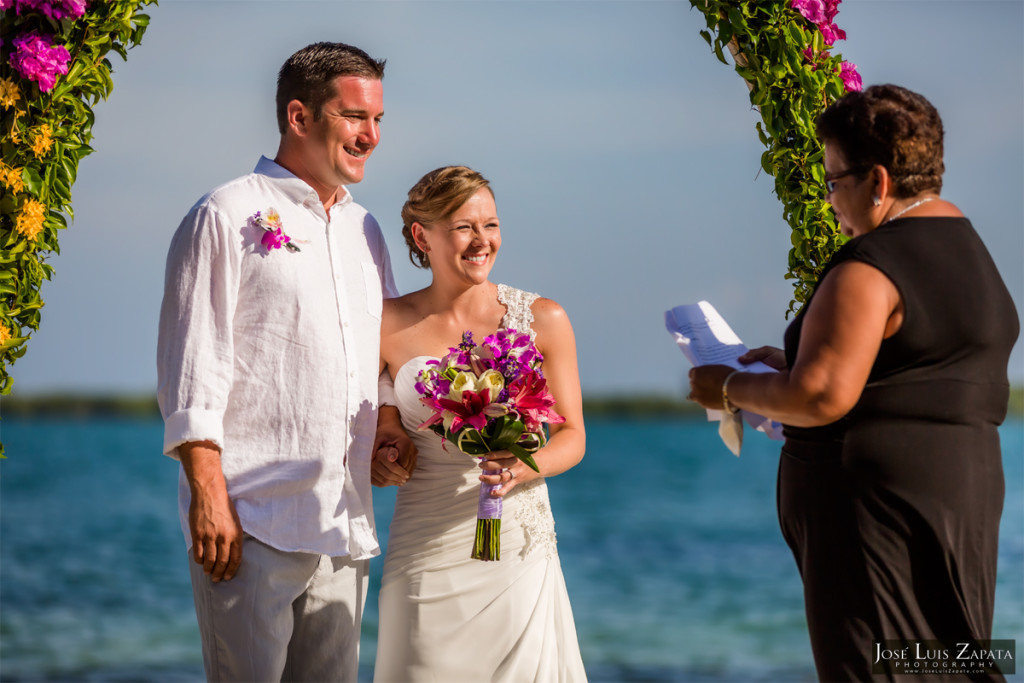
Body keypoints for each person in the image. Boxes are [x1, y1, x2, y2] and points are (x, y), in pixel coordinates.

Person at [688, 84, 1019, 681]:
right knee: (946, 659)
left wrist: (727, 388)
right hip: (959, 498)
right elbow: (912, 372)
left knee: (878, 667)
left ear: (880, 182)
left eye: (834, 181)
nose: (831, 199)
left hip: (876, 516)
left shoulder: (872, 264)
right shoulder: (971, 252)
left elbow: (822, 396)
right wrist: (788, 365)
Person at [156, 42, 414, 682]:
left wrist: (387, 424)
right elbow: (194, 361)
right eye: (355, 117)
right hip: (250, 519)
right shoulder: (224, 213)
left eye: (378, 120)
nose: (371, 136)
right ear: (300, 117)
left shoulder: (367, 230)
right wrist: (209, 494)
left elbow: (379, 353)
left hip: (343, 518)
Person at [370, 166, 588, 682]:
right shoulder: (384, 323)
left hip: (514, 548)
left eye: (491, 225)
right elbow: (379, 421)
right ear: (423, 235)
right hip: (424, 547)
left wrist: (523, 467)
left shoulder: (542, 319)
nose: (481, 241)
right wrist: (384, 455)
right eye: (464, 226)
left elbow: (573, 435)